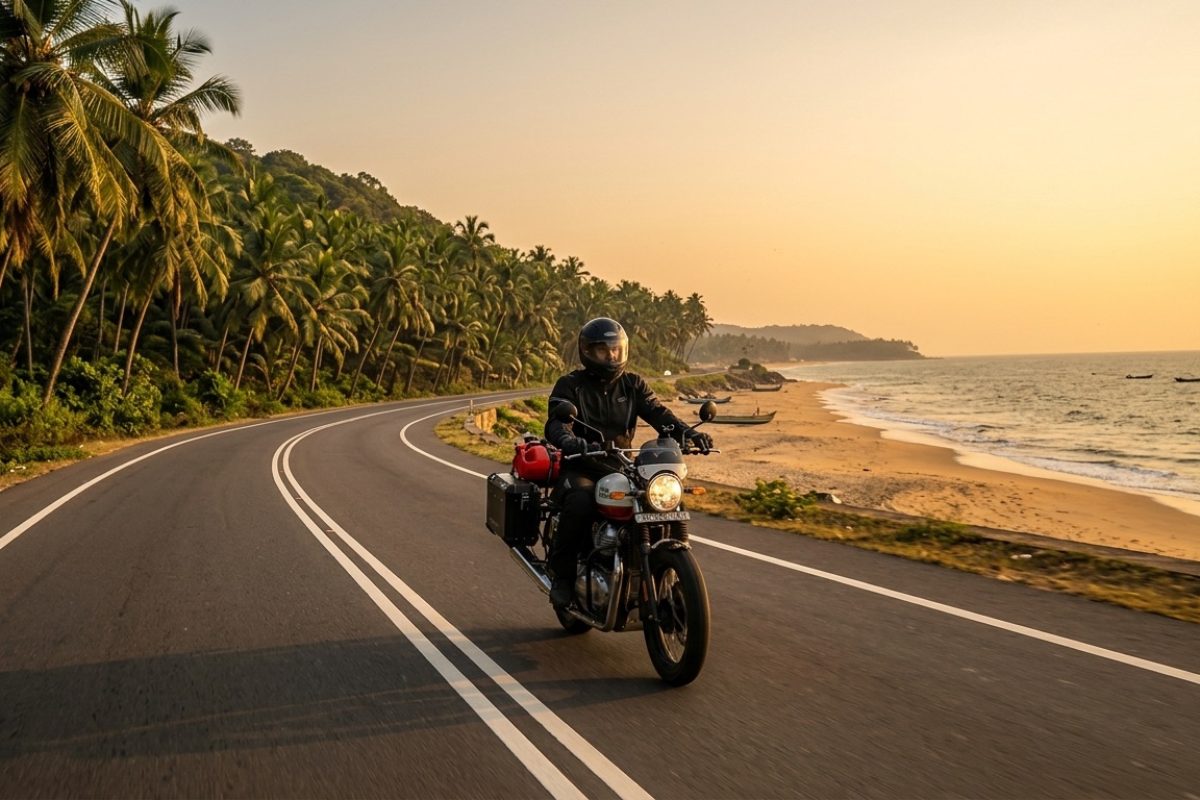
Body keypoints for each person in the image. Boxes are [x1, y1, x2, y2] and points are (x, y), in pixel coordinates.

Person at [543, 317, 714, 607]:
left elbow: (659, 414)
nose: (610, 355)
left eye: (615, 349)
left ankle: (666, 577)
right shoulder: (571, 385)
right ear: (587, 352)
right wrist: (572, 442)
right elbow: (556, 425)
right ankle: (563, 577)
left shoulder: (632, 384)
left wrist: (688, 433)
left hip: (622, 467)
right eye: (603, 350)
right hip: (582, 465)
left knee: (663, 504)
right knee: (580, 503)